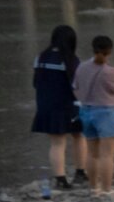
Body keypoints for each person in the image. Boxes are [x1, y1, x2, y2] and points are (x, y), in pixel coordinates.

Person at [71, 34, 114, 195]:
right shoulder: (111, 71)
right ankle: (107, 189)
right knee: (107, 154)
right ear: (109, 51)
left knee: (92, 153)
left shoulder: (81, 67)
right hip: (106, 112)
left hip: (86, 111)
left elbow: (75, 87)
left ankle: (93, 187)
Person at [31, 24, 86, 192]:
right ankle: (80, 172)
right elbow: (77, 86)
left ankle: (60, 179)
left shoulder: (40, 58)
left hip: (46, 105)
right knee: (79, 136)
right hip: (68, 105)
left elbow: (36, 83)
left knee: (56, 143)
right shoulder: (71, 59)